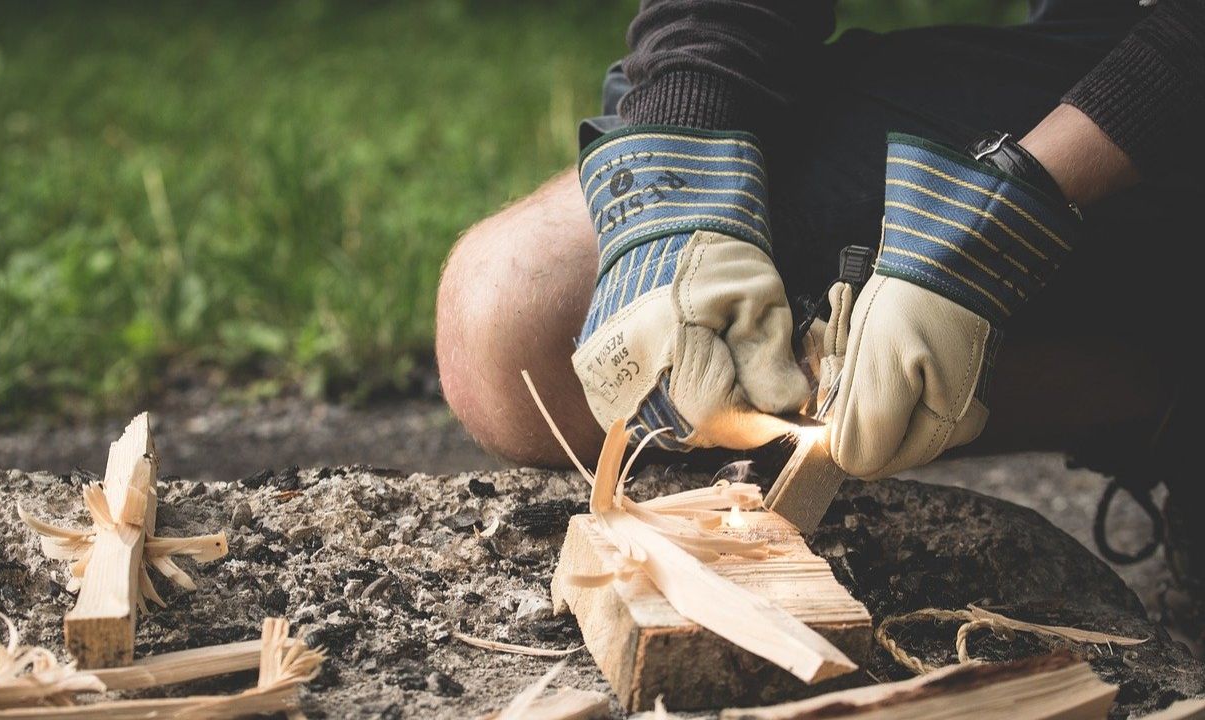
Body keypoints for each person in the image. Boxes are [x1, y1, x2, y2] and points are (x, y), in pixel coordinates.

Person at [436, 1, 1202, 588]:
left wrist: (1016, 209)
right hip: (1103, 40)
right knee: (514, 316)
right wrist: (676, 181)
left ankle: (1176, 397)